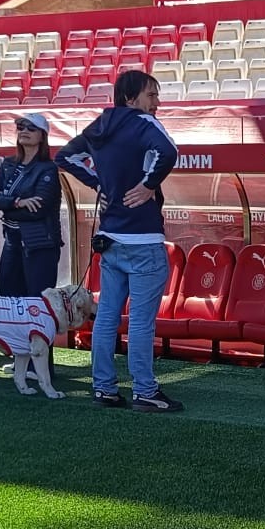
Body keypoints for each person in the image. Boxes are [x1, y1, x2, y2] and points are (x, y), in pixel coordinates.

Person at [58, 69, 181, 413]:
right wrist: (149, 184)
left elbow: (64, 156)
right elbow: (169, 151)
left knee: (108, 317)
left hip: (111, 238)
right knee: (141, 320)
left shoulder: (99, 125)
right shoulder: (143, 123)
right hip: (143, 239)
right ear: (132, 98)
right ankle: (145, 391)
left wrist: (100, 185)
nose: (156, 103)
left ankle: (104, 388)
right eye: (152, 95)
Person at [0, 111, 62, 295]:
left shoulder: (47, 168)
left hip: (39, 243)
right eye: (21, 127)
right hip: (12, 239)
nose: (24, 130)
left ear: (42, 135)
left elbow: (38, 210)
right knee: (9, 298)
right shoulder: (9, 163)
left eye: (31, 128)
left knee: (37, 301)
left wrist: (6, 207)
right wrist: (17, 202)